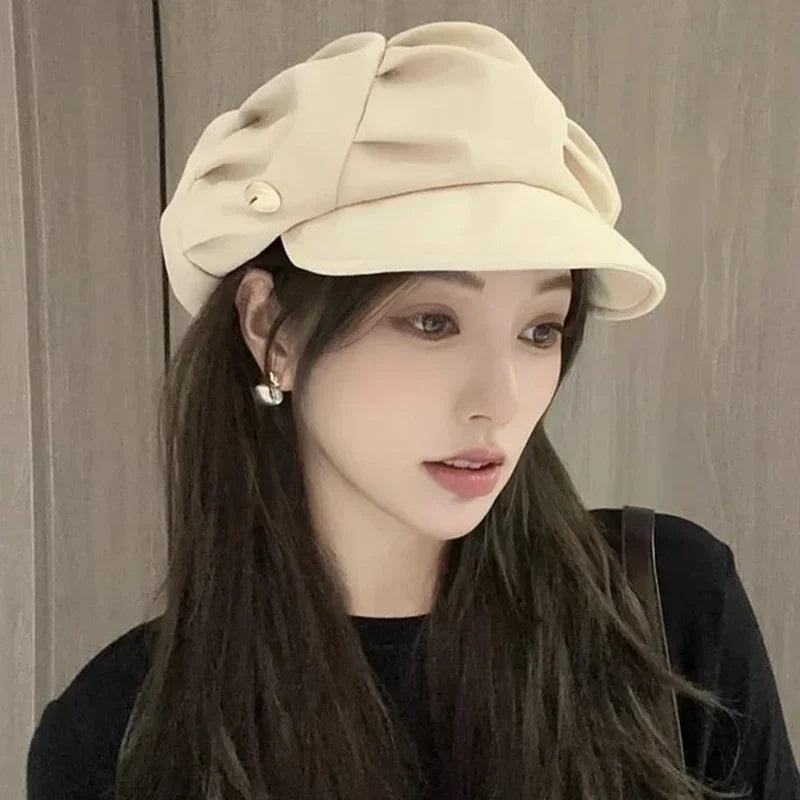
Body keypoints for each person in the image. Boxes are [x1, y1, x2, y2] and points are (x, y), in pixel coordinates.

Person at [27, 20, 799, 800]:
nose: (500, 401)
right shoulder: (116, 736)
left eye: (540, 330)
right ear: (273, 329)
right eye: (432, 321)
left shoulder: (668, 615)